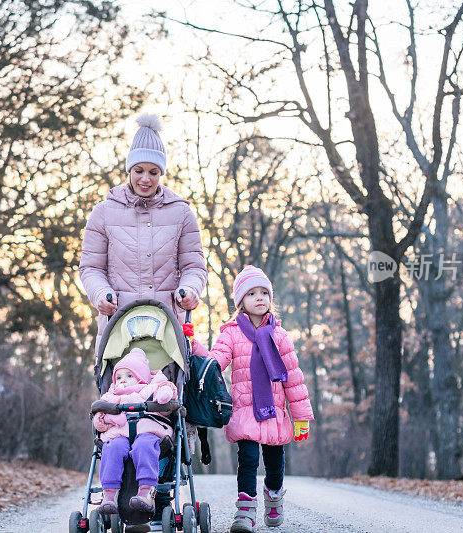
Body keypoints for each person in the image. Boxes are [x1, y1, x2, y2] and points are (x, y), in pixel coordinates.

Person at [193, 265, 313, 533]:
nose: (259, 298)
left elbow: (294, 379)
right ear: (241, 303)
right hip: (246, 411)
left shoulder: (280, 337)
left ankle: (273, 496)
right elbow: (215, 362)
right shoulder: (232, 334)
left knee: (274, 463)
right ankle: (245, 513)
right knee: (247, 460)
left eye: (264, 293)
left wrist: (301, 417)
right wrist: (195, 348)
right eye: (252, 294)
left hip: (274, 413)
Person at [78, 113, 207, 353]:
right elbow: (91, 267)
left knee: (167, 390)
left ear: (161, 174)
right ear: (129, 169)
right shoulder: (103, 213)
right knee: (122, 389)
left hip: (168, 327)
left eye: (153, 172)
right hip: (118, 326)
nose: (145, 179)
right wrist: (101, 293)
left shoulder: (181, 213)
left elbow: (194, 266)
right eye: (139, 170)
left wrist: (190, 290)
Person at [93, 349, 178, 515]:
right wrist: (106, 419)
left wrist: (164, 395)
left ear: (141, 377)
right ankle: (110, 494)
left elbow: (168, 391)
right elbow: (99, 421)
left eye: (129, 376)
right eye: (119, 377)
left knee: (144, 445)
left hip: (148, 431)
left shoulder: (152, 388)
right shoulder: (111, 396)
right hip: (119, 435)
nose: (123, 380)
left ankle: (146, 491)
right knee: (112, 448)